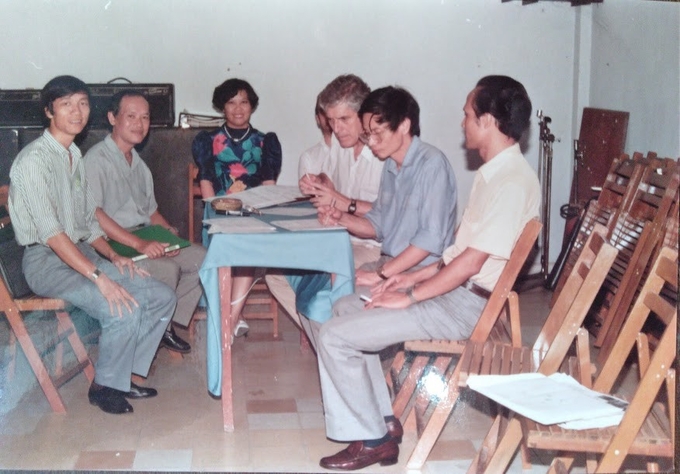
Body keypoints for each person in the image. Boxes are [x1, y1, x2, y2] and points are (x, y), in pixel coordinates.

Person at [316, 75, 541, 470]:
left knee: (334, 338)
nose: (462, 122)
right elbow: (456, 255)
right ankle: (382, 420)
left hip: (465, 307)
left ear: (488, 120)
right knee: (349, 307)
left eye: (468, 114)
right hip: (455, 293)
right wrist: (407, 278)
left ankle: (372, 441)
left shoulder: (511, 181)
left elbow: (470, 265)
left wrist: (410, 295)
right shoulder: (495, 175)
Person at [9, 75, 176, 415]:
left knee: (160, 297)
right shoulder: (32, 162)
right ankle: (104, 388)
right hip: (46, 262)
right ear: (49, 111)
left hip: (80, 253)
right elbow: (54, 235)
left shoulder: (74, 157)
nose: (77, 111)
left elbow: (86, 224)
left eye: (83, 103)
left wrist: (115, 256)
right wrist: (101, 277)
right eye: (66, 104)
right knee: (121, 306)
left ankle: (119, 375)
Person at [85, 90, 207, 354]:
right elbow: (94, 215)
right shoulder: (96, 160)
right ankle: (156, 329)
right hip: (112, 244)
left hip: (142, 237)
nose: (139, 124)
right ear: (112, 118)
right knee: (167, 270)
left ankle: (165, 325)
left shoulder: (139, 164)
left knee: (203, 259)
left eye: (145, 117)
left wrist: (170, 235)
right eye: (131, 116)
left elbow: (151, 213)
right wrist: (141, 244)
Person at [265, 74, 384, 339]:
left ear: (364, 114)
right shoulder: (341, 146)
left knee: (330, 277)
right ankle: (325, 340)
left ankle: (337, 344)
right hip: (337, 237)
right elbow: (331, 181)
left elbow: (386, 215)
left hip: (372, 247)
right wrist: (317, 183)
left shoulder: (382, 154)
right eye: (331, 120)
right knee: (275, 272)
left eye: (344, 119)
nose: (336, 128)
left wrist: (339, 201)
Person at [192, 78, 282, 338]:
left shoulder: (267, 142)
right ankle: (233, 317)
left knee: (248, 242)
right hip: (218, 209)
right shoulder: (207, 140)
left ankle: (228, 320)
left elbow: (268, 185)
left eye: (244, 102)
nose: (238, 108)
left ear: (252, 106)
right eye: (231, 102)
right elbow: (206, 179)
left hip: (253, 211)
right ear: (222, 107)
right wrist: (214, 212)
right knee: (229, 241)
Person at [297, 99, 332, 178]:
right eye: (324, 113)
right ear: (317, 119)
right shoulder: (308, 157)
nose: (328, 117)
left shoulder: (354, 152)